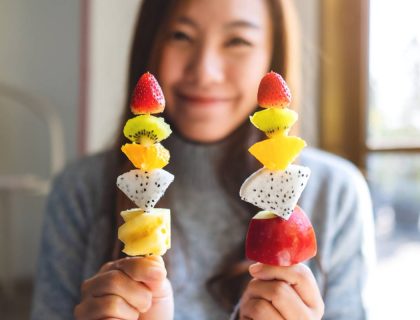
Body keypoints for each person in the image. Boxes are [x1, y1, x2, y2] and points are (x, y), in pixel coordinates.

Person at [31, 0, 376, 319]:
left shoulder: (336, 193)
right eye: (181, 35)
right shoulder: (78, 190)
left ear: (272, 53)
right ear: (150, 42)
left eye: (237, 41)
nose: (205, 71)